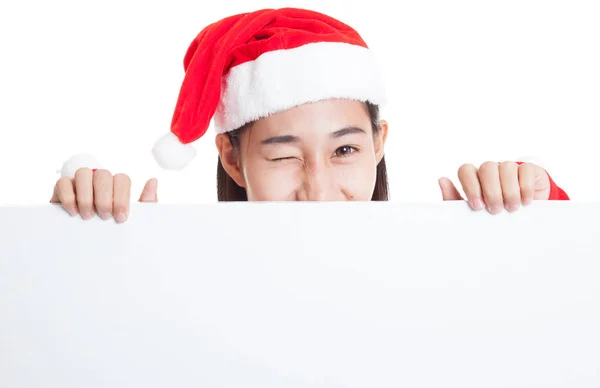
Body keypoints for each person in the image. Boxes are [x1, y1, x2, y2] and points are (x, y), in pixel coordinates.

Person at [50, 7, 569, 223]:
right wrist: (82, 237)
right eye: (283, 155)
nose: (318, 190)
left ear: (379, 141)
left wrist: (537, 210)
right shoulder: (180, 278)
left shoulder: (434, 268)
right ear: (232, 159)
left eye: (345, 149)